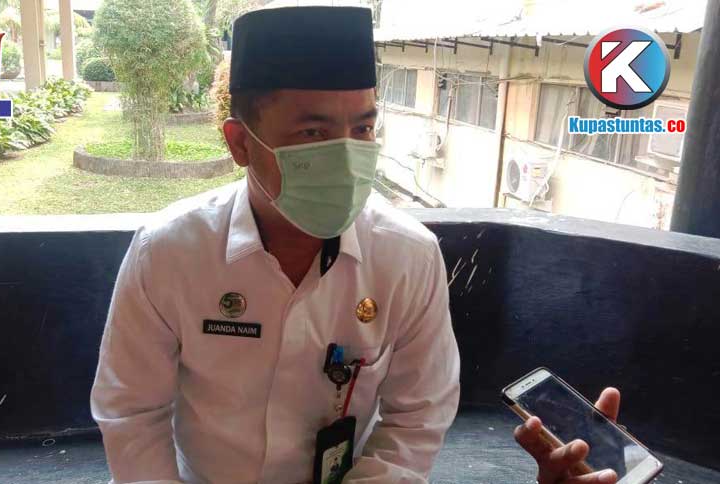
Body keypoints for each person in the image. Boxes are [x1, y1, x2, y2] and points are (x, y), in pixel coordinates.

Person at [90, 6, 621, 484]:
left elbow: (418, 412)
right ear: (240, 143)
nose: (346, 157)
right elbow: (131, 410)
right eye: (313, 134)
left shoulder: (407, 255)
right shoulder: (169, 251)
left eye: (363, 129)